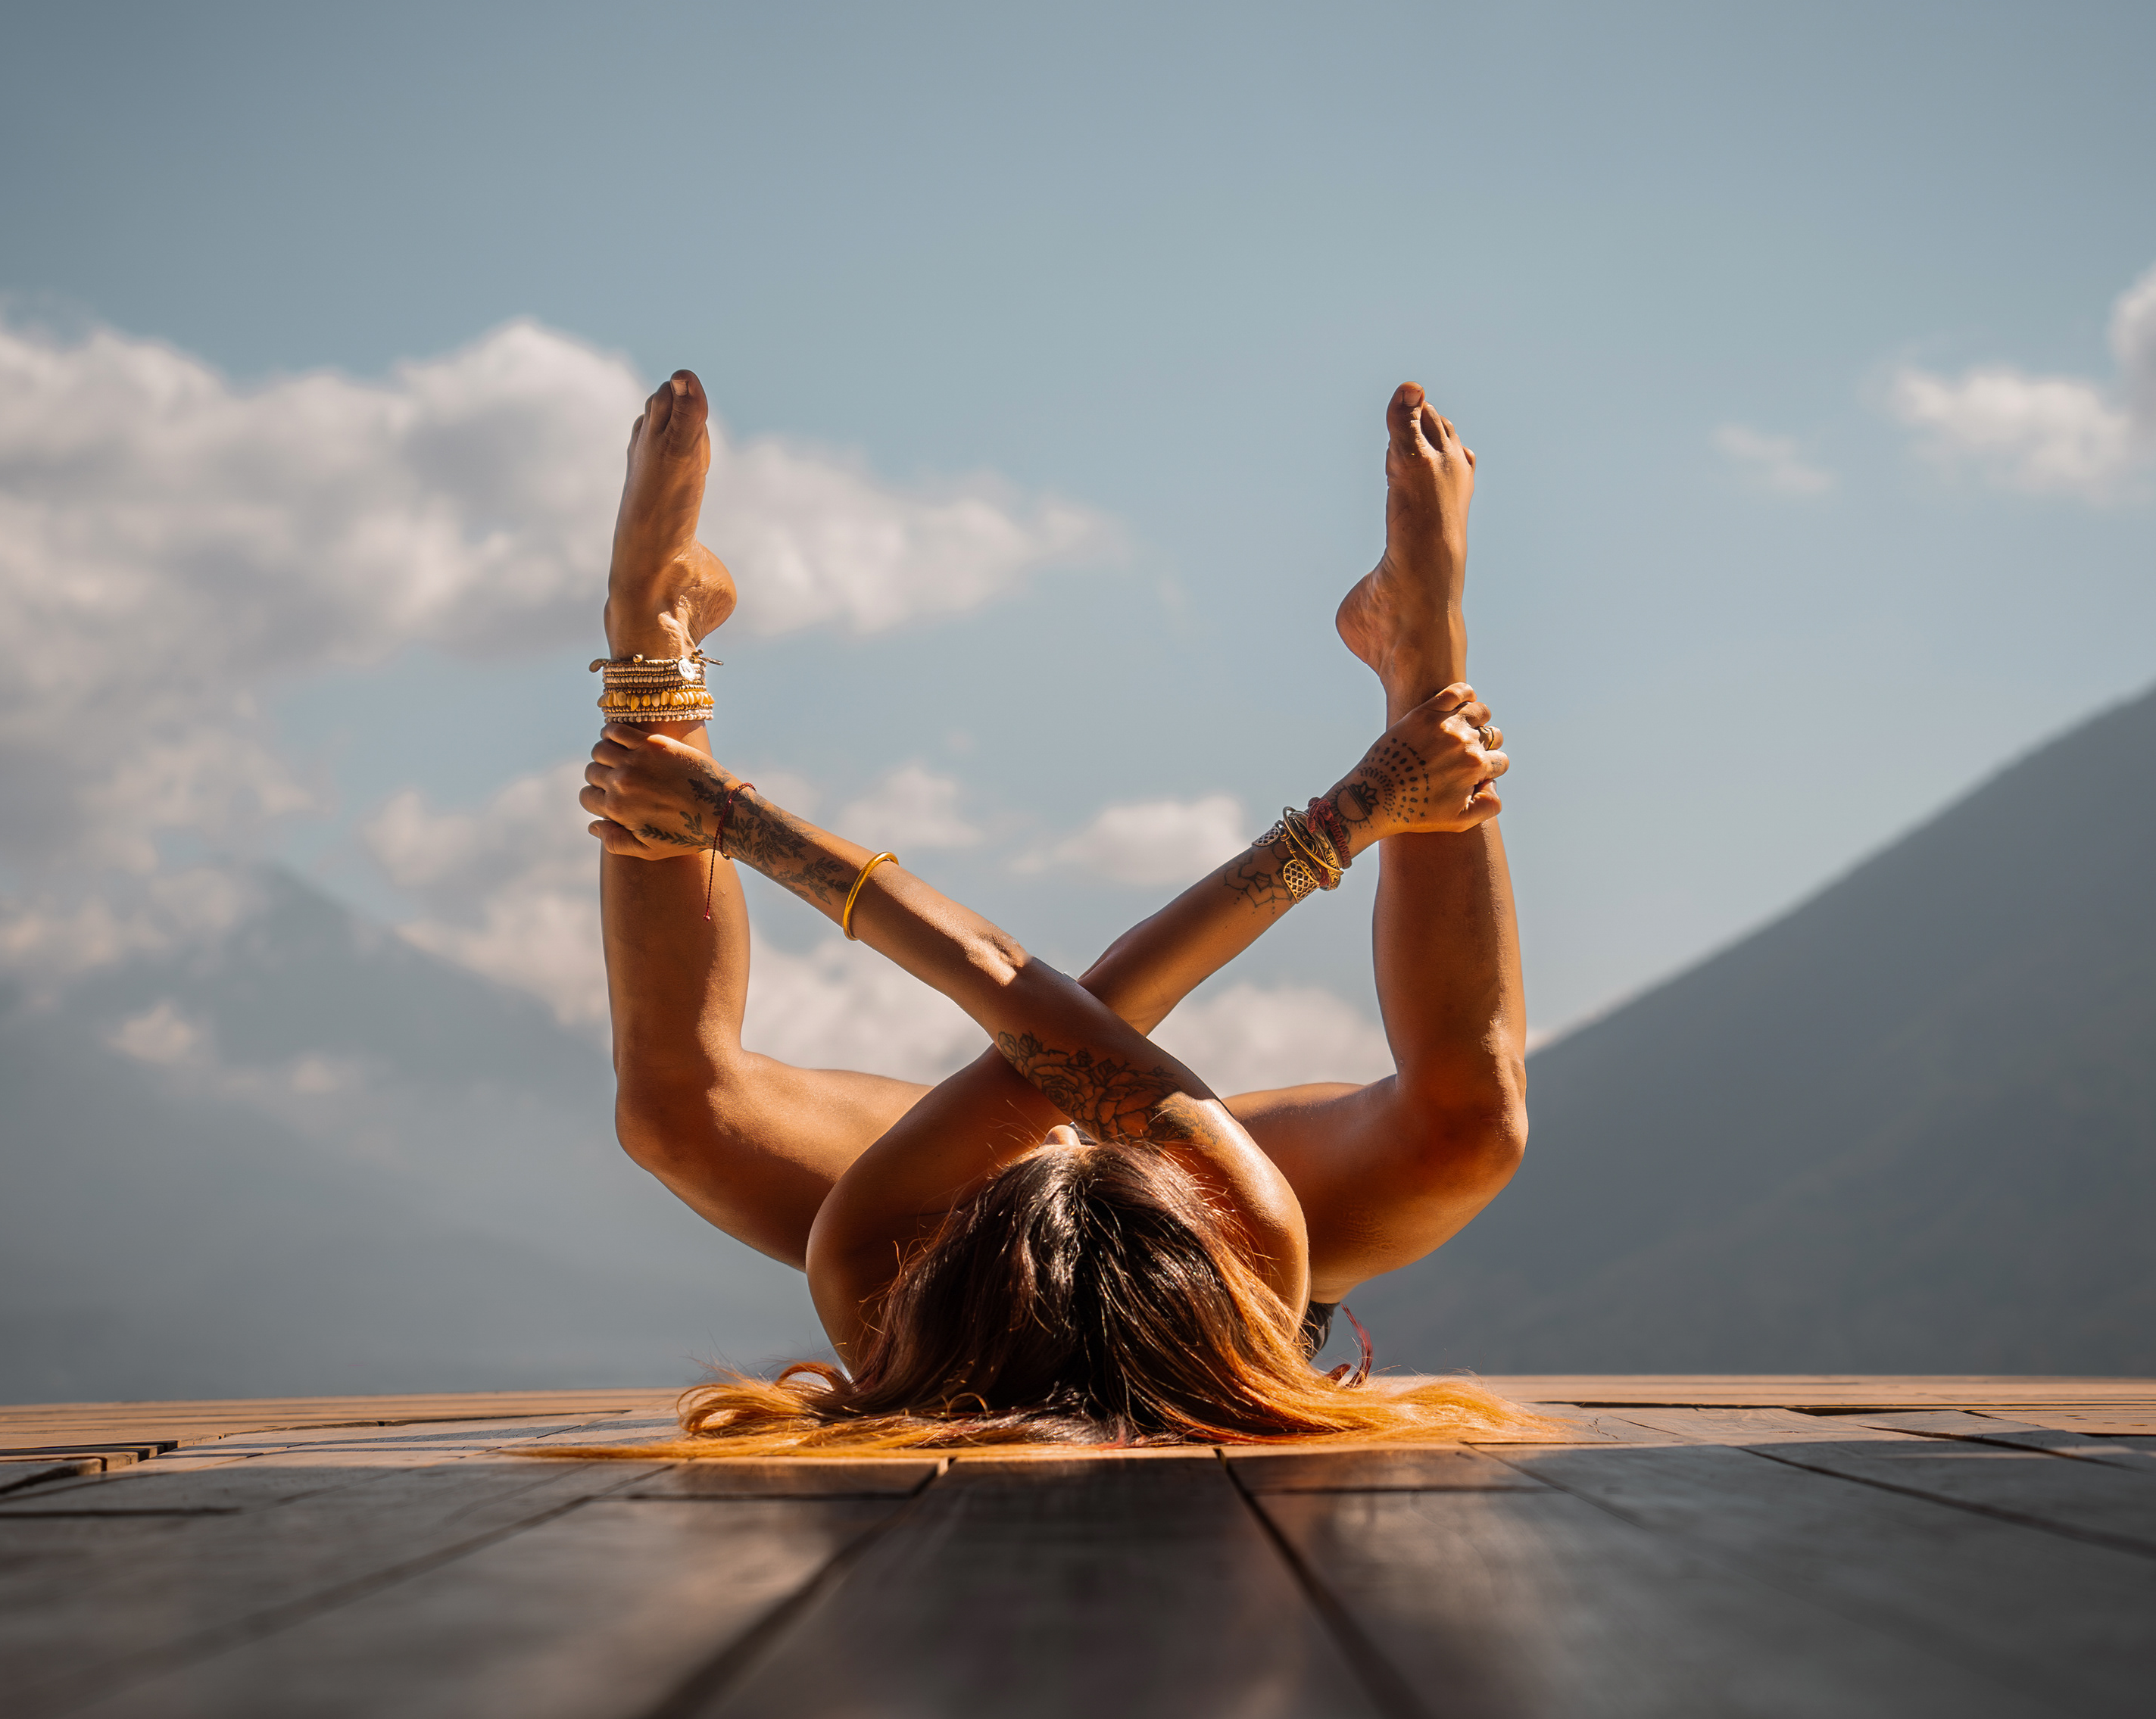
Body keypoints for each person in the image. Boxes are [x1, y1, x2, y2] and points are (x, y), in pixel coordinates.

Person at [576, 372, 1537, 1449]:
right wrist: (1369, 800)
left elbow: (1019, 1008)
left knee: (673, 1111)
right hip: (1208, 1274)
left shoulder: (871, 1264)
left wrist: (717, 804)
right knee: (1472, 1130)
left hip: (964, 1236)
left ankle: (654, 629)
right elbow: (1087, 1007)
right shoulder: (1254, 1246)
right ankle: (1422, 657)